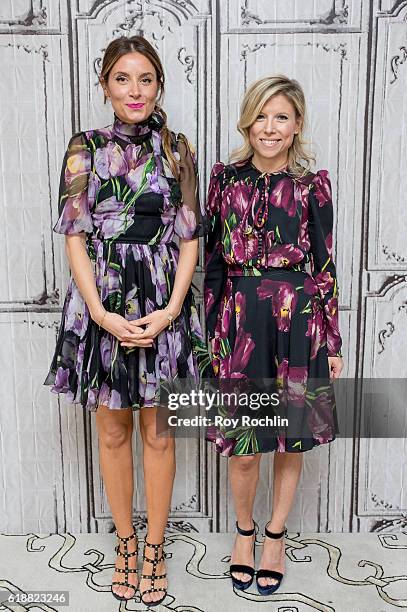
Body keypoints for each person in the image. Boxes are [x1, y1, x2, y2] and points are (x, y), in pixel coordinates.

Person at [44, 35, 209, 606]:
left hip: (165, 297)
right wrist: (99, 313)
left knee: (159, 433)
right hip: (102, 300)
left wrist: (169, 310)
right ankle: (124, 545)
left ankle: (157, 548)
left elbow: (189, 239)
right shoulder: (84, 147)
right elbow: (74, 234)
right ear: (106, 85)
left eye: (145, 79)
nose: (134, 90)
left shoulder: (178, 149)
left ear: (158, 85)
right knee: (112, 429)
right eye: (122, 79)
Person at [204, 75, 343, 596]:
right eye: (261, 115)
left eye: (281, 117)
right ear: (248, 120)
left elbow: (325, 265)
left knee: (290, 440)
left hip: (298, 320)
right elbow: (214, 264)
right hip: (240, 319)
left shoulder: (313, 185)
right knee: (245, 445)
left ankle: (276, 536)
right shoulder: (224, 179)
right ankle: (244, 532)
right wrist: (213, 336)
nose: (269, 127)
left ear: (297, 125)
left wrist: (330, 340)